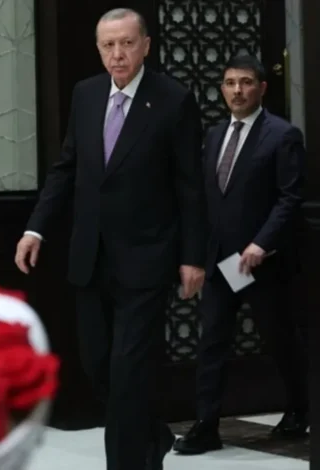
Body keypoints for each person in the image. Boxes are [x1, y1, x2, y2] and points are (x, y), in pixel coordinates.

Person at [14, 7, 206, 470]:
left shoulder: (173, 100)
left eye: (126, 43)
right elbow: (67, 167)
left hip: (147, 258)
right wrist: (36, 226)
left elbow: (190, 186)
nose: (117, 54)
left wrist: (193, 256)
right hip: (90, 257)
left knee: (127, 372)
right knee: (99, 366)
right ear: (99, 50)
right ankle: (153, 434)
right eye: (108, 45)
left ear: (146, 46)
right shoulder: (86, 94)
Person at [172, 55, 309, 455]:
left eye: (246, 82)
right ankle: (207, 425)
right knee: (212, 341)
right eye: (230, 83)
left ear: (261, 88)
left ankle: (300, 406)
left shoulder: (282, 135)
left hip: (262, 261)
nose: (237, 90)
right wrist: (195, 256)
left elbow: (289, 197)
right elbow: (207, 199)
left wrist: (261, 243)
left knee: (279, 338)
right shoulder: (214, 135)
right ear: (222, 88)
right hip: (221, 261)